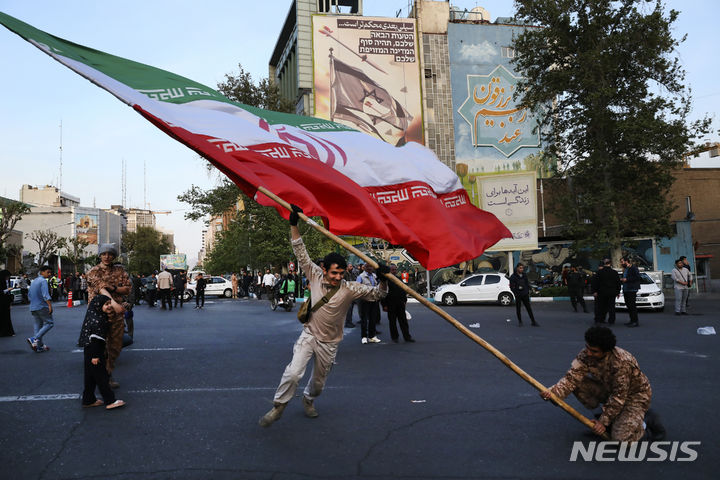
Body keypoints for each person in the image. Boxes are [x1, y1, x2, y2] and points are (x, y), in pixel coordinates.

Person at [259, 205, 389, 427]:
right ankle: (278, 407)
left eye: (341, 272)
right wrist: (293, 225)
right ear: (324, 269)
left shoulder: (350, 288)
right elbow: (300, 252)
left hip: (330, 343)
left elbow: (378, 294)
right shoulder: (314, 276)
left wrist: (383, 278)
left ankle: (308, 400)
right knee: (293, 374)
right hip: (309, 336)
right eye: (333, 272)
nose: (338, 276)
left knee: (318, 384)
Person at [540, 326, 665, 441]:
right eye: (587, 347)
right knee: (577, 382)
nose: (588, 353)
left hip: (634, 397)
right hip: (610, 390)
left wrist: (603, 422)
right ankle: (615, 419)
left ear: (606, 351)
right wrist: (552, 393)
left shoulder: (621, 362)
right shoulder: (586, 354)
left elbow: (619, 397)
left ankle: (645, 422)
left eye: (594, 351)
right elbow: (571, 378)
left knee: (620, 439)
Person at [86, 243, 131, 388]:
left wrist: (114, 288)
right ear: (99, 255)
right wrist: (114, 302)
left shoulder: (120, 270)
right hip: (98, 314)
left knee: (115, 346)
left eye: (110, 254)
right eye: (104, 254)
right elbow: (100, 288)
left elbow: (127, 289)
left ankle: (108, 371)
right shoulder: (93, 271)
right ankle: (103, 377)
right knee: (99, 346)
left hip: (116, 315)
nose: (107, 256)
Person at [78, 294, 126, 410]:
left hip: (90, 350)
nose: (109, 306)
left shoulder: (95, 316)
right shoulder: (98, 321)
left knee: (90, 377)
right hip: (95, 351)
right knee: (101, 377)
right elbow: (95, 339)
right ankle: (110, 400)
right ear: (98, 305)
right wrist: (95, 356)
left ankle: (88, 399)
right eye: (106, 304)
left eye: (109, 303)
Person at [381, 264, 414, 343]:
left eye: (395, 270)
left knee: (403, 322)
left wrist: (404, 301)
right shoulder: (385, 280)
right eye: (392, 270)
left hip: (400, 303)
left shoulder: (399, 279)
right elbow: (382, 293)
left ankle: (407, 337)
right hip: (390, 304)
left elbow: (403, 290)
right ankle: (395, 337)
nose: (394, 271)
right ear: (389, 270)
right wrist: (384, 305)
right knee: (392, 322)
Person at [27, 266, 54, 352]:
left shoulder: (34, 281)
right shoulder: (43, 281)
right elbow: (45, 295)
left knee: (38, 325)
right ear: (42, 272)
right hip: (42, 306)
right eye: (48, 272)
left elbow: (29, 295)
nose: (49, 274)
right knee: (50, 323)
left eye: (50, 272)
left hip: (33, 306)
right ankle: (34, 339)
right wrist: (50, 305)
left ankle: (39, 345)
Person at [357, 263, 383, 343]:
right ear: (364, 268)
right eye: (367, 267)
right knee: (364, 319)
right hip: (364, 300)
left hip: (374, 300)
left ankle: (372, 336)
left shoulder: (374, 276)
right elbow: (357, 287)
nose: (369, 268)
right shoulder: (360, 276)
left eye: (371, 266)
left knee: (373, 319)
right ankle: (364, 336)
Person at [591, 258, 621, 324]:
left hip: (602, 292)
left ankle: (600, 319)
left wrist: (594, 291)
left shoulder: (599, 272)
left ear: (604, 264)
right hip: (612, 292)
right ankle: (611, 320)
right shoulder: (614, 272)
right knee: (611, 307)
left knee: (601, 306)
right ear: (610, 263)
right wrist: (618, 292)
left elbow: (595, 282)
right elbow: (618, 283)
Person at [620, 256, 641, 327]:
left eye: (622, 262)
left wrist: (627, 279)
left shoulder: (633, 268)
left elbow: (637, 277)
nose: (621, 263)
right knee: (628, 305)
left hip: (632, 289)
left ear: (626, 261)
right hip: (626, 289)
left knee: (632, 305)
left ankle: (635, 321)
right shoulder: (625, 269)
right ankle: (631, 320)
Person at [0, 270, 15, 337]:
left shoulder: (7, 281)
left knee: (7, 317)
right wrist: (8, 289)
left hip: (6, 301)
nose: (8, 278)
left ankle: (9, 332)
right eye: (7, 276)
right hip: (1, 302)